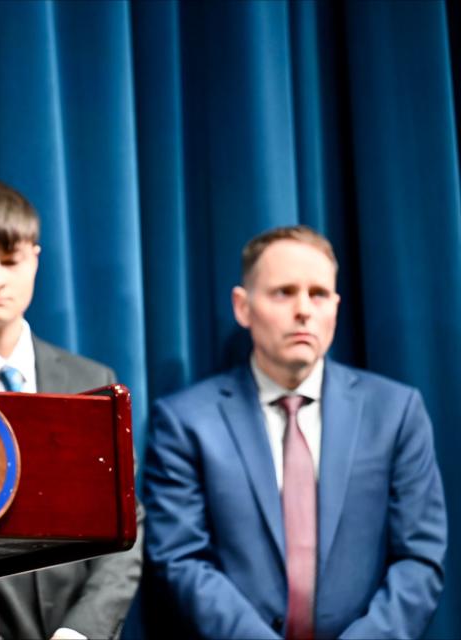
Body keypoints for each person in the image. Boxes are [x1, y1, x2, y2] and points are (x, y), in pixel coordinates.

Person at [142, 226, 447, 638]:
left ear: (336, 307)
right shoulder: (185, 421)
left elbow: (419, 558)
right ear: (242, 306)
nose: (303, 309)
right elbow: (180, 557)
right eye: (283, 292)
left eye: (318, 294)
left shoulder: (396, 412)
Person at [0, 176, 142, 640]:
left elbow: (125, 525)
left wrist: (81, 631)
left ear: (36, 258)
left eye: (10, 260)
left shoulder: (92, 381)